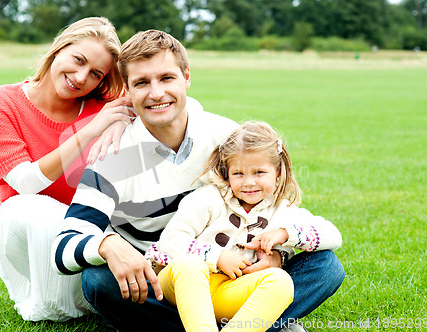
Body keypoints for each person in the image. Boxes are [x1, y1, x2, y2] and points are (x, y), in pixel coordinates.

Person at [52, 30, 344, 332]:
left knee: (326, 267)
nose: (155, 93)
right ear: (126, 89)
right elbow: (62, 248)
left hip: (236, 271)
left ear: (186, 77)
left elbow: (272, 210)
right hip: (161, 281)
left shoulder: (223, 136)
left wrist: (277, 257)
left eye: (166, 78)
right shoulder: (113, 156)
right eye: (142, 83)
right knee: (98, 282)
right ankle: (258, 324)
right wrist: (108, 244)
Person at [0, 17, 134, 322]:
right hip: (24, 233)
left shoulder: (105, 106)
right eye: (78, 60)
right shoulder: (0, 101)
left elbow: (175, 103)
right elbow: (24, 183)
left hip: (83, 237)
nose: (80, 77)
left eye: (95, 74)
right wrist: (90, 130)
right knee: (30, 206)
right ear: (59, 47)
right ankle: (52, 298)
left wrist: (118, 118)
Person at [146, 121, 343, 331]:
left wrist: (285, 234)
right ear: (226, 172)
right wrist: (217, 257)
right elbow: (171, 240)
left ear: (278, 171)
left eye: (259, 172)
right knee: (189, 265)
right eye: (238, 174)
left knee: (281, 281)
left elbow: (333, 236)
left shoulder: (283, 211)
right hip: (185, 287)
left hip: (231, 292)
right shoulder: (207, 199)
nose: (249, 182)